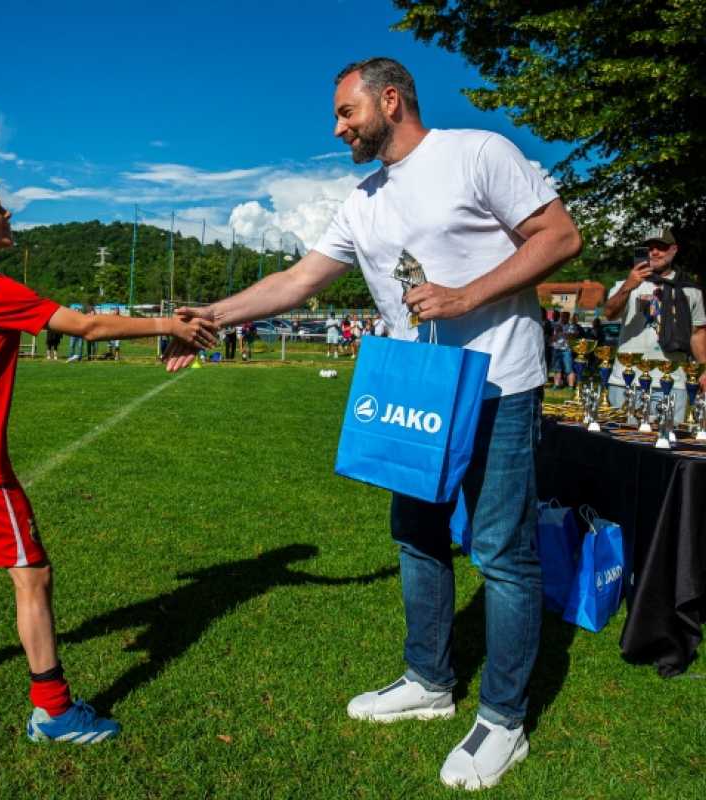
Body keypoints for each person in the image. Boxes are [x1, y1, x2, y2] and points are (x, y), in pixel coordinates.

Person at [166, 58, 581, 789]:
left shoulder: (478, 153)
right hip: (418, 393)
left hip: (497, 385)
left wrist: (465, 297)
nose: (337, 127)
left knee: (501, 554)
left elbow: (559, 238)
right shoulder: (362, 200)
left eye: (345, 112)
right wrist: (210, 316)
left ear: (390, 100)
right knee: (416, 536)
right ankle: (428, 680)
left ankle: (504, 720)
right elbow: (298, 281)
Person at [0, 171, 217, 738]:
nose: (7, 214)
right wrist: (167, 322)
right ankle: (52, 710)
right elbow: (88, 324)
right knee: (34, 576)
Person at [604, 229, 706, 421]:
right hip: (627, 380)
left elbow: (698, 332)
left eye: (661, 247)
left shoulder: (691, 290)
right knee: (623, 444)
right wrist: (629, 285)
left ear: (674, 250)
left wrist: (704, 370)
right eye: (649, 248)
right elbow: (610, 314)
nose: (655, 252)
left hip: (674, 381)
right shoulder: (625, 285)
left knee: (667, 445)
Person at [552, 311, 577, 392]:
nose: (563, 318)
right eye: (562, 317)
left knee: (569, 368)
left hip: (566, 349)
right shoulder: (556, 325)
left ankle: (571, 386)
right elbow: (554, 339)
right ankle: (556, 385)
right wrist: (556, 332)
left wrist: (562, 331)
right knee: (557, 369)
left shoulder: (571, 327)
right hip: (557, 348)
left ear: (568, 317)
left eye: (565, 317)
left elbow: (571, 337)